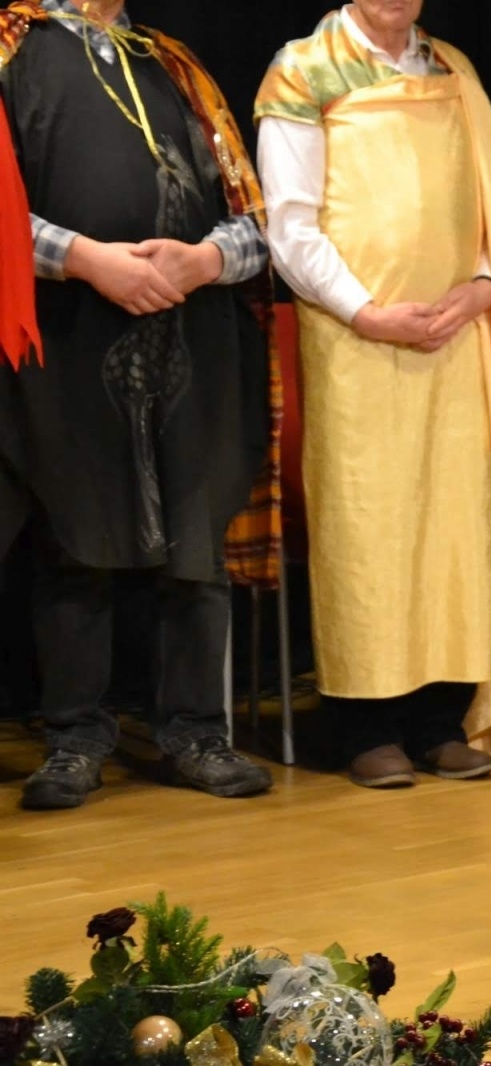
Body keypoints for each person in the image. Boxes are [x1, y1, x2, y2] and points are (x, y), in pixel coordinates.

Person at [254, 0, 491, 787]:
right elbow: (289, 225)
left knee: (458, 518)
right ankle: (366, 726)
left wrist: (482, 291)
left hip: (459, 335)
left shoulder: (452, 69)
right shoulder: (304, 68)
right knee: (371, 522)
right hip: (358, 337)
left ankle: (441, 717)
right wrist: (368, 311)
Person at [0, 0, 275, 810]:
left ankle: (197, 732)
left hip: (194, 334)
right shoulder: (12, 49)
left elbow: (258, 220)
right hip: (67, 329)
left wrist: (203, 260)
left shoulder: (175, 63)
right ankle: (75, 736)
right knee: (76, 535)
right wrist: (86, 259)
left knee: (196, 537)